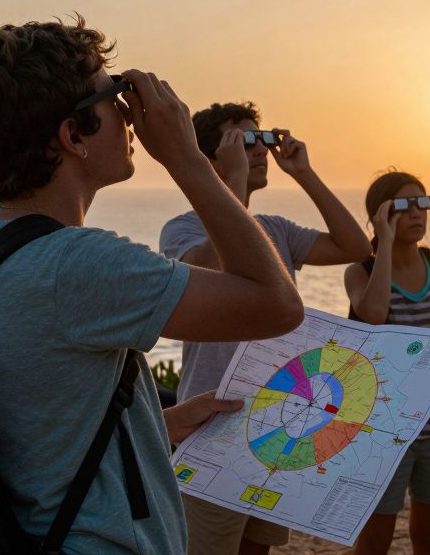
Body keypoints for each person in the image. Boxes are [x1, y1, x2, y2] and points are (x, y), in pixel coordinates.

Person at [0, 16, 304, 554]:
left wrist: (161, 424)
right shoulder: (80, 264)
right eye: (116, 97)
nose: (132, 115)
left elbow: (34, 416)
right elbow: (277, 304)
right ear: (73, 135)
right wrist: (187, 159)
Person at [159, 101, 371, 555]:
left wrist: (303, 173)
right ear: (211, 157)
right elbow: (208, 269)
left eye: (262, 139)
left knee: (258, 548)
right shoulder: (182, 229)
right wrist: (231, 182)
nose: (260, 151)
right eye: (245, 141)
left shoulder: (274, 229)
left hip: (280, 421)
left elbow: (355, 245)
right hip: (210, 423)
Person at [344, 171, 430, 555]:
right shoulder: (360, 272)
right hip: (381, 432)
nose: (418, 213)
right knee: (374, 542)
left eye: (423, 203)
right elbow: (371, 313)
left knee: (429, 539)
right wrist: (383, 243)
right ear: (381, 214)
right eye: (404, 205)